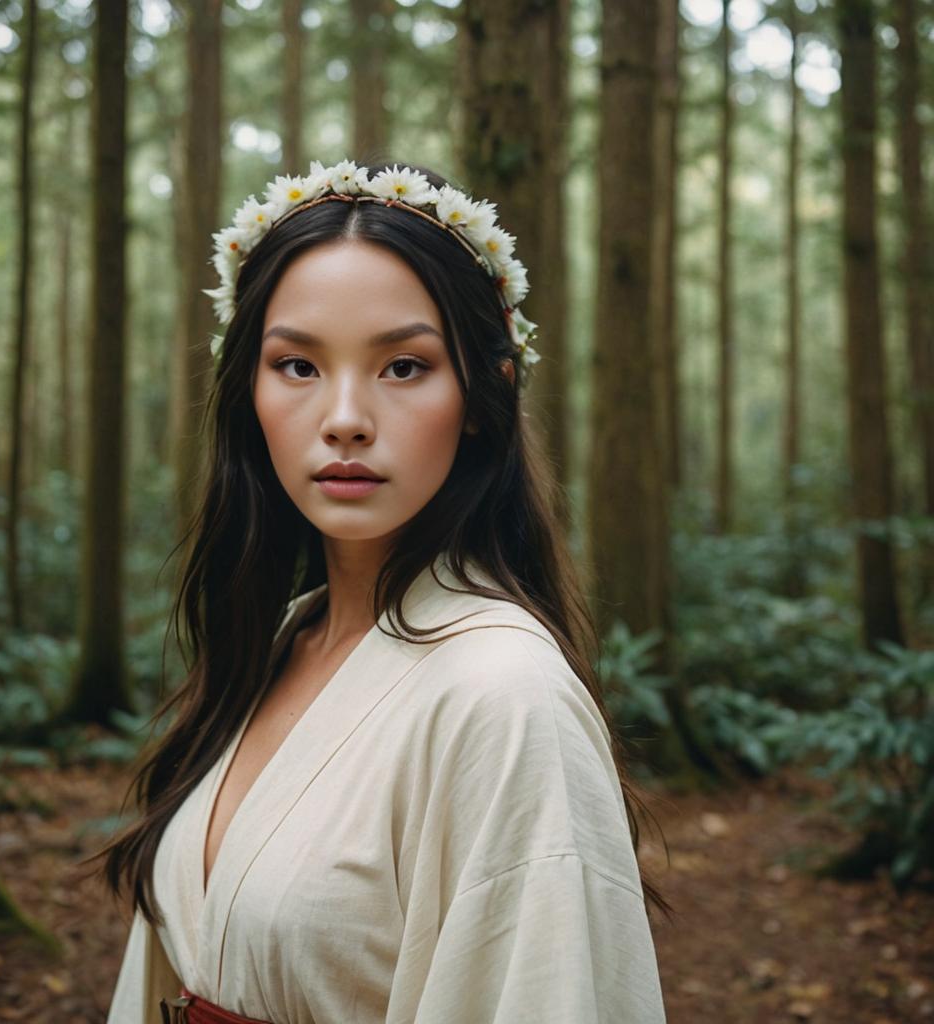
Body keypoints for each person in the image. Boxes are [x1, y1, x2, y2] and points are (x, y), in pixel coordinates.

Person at [97, 158, 669, 1023]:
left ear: (486, 394)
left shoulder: (504, 697)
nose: (345, 417)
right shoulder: (283, 642)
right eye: (297, 366)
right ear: (247, 389)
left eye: (403, 367)